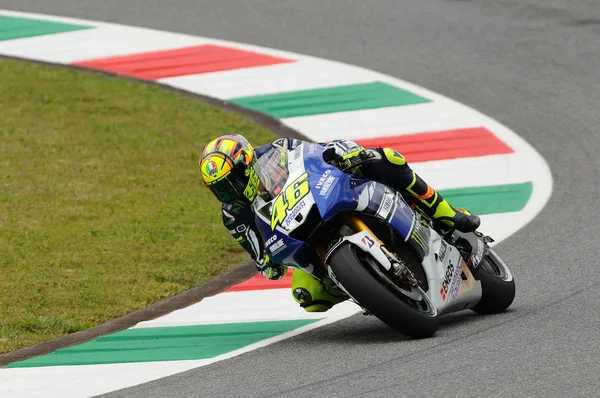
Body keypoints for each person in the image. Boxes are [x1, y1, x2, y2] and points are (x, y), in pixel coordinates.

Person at [199, 134, 480, 312]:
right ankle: (371, 290)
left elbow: (315, 153)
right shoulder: (233, 215)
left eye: (232, 181)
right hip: (299, 236)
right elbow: (260, 256)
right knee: (307, 297)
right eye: (220, 188)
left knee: (386, 158)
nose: (230, 192)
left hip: (325, 197)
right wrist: (268, 262)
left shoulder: (277, 150)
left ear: (247, 165)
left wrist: (343, 153)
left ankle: (445, 212)